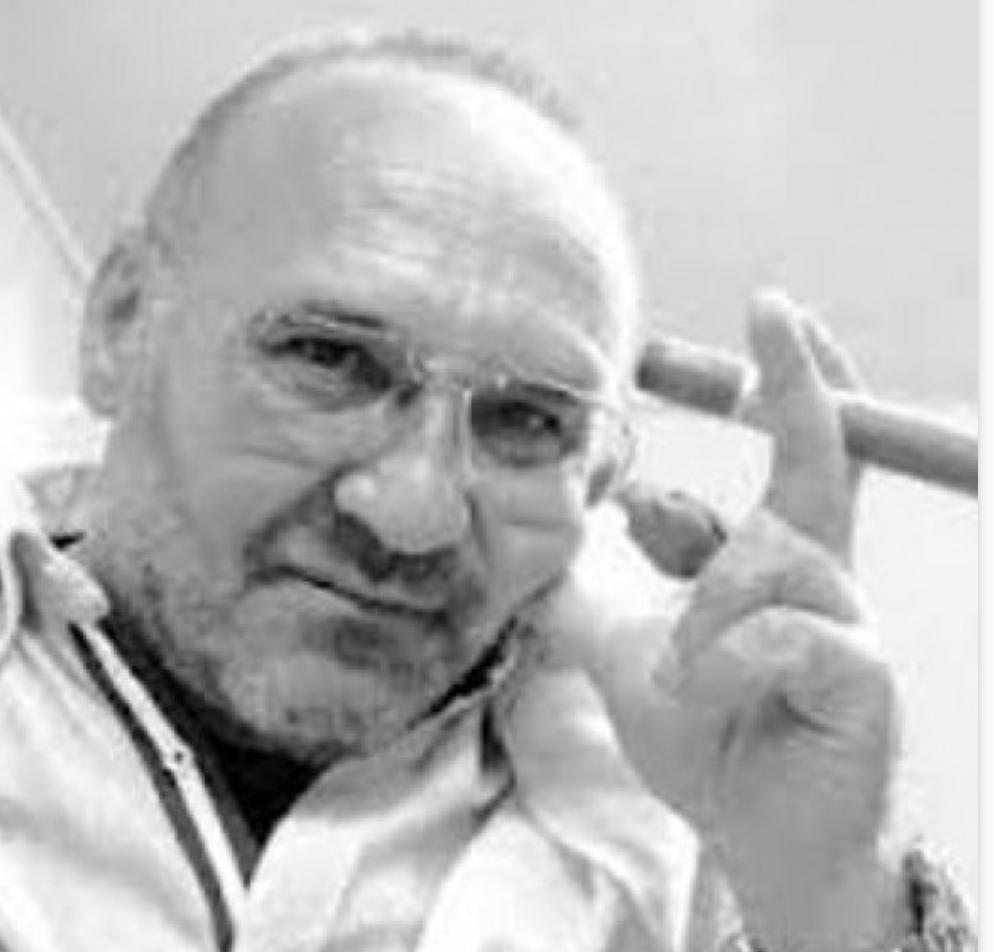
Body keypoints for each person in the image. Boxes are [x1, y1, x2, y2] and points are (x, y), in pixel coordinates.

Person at [0, 28, 973, 952]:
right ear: (121, 325)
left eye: (528, 420)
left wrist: (832, 888)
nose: (415, 513)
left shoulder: (691, 827)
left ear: (593, 484)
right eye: (327, 355)